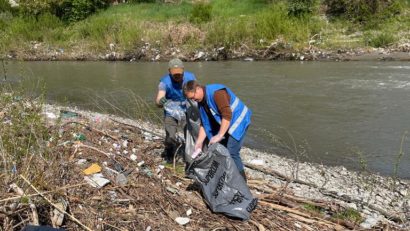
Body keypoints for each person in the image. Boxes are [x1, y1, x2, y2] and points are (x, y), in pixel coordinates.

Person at [183, 80, 251, 181]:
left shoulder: (217, 93)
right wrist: (199, 142)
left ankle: (242, 181)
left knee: (232, 152)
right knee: (221, 150)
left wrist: (219, 135)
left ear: (198, 89)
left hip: (239, 120)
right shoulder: (201, 102)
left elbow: (227, 115)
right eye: (191, 99)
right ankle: (227, 175)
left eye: (193, 97)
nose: (193, 100)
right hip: (227, 122)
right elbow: (205, 123)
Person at [155, 58, 196, 162]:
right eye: (175, 74)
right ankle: (169, 154)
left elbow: (197, 93)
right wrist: (161, 101)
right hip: (171, 112)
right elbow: (158, 100)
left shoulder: (190, 77)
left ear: (183, 70)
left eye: (180, 74)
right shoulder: (164, 82)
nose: (178, 76)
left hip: (187, 110)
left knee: (190, 133)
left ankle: (192, 155)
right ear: (169, 72)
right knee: (170, 136)